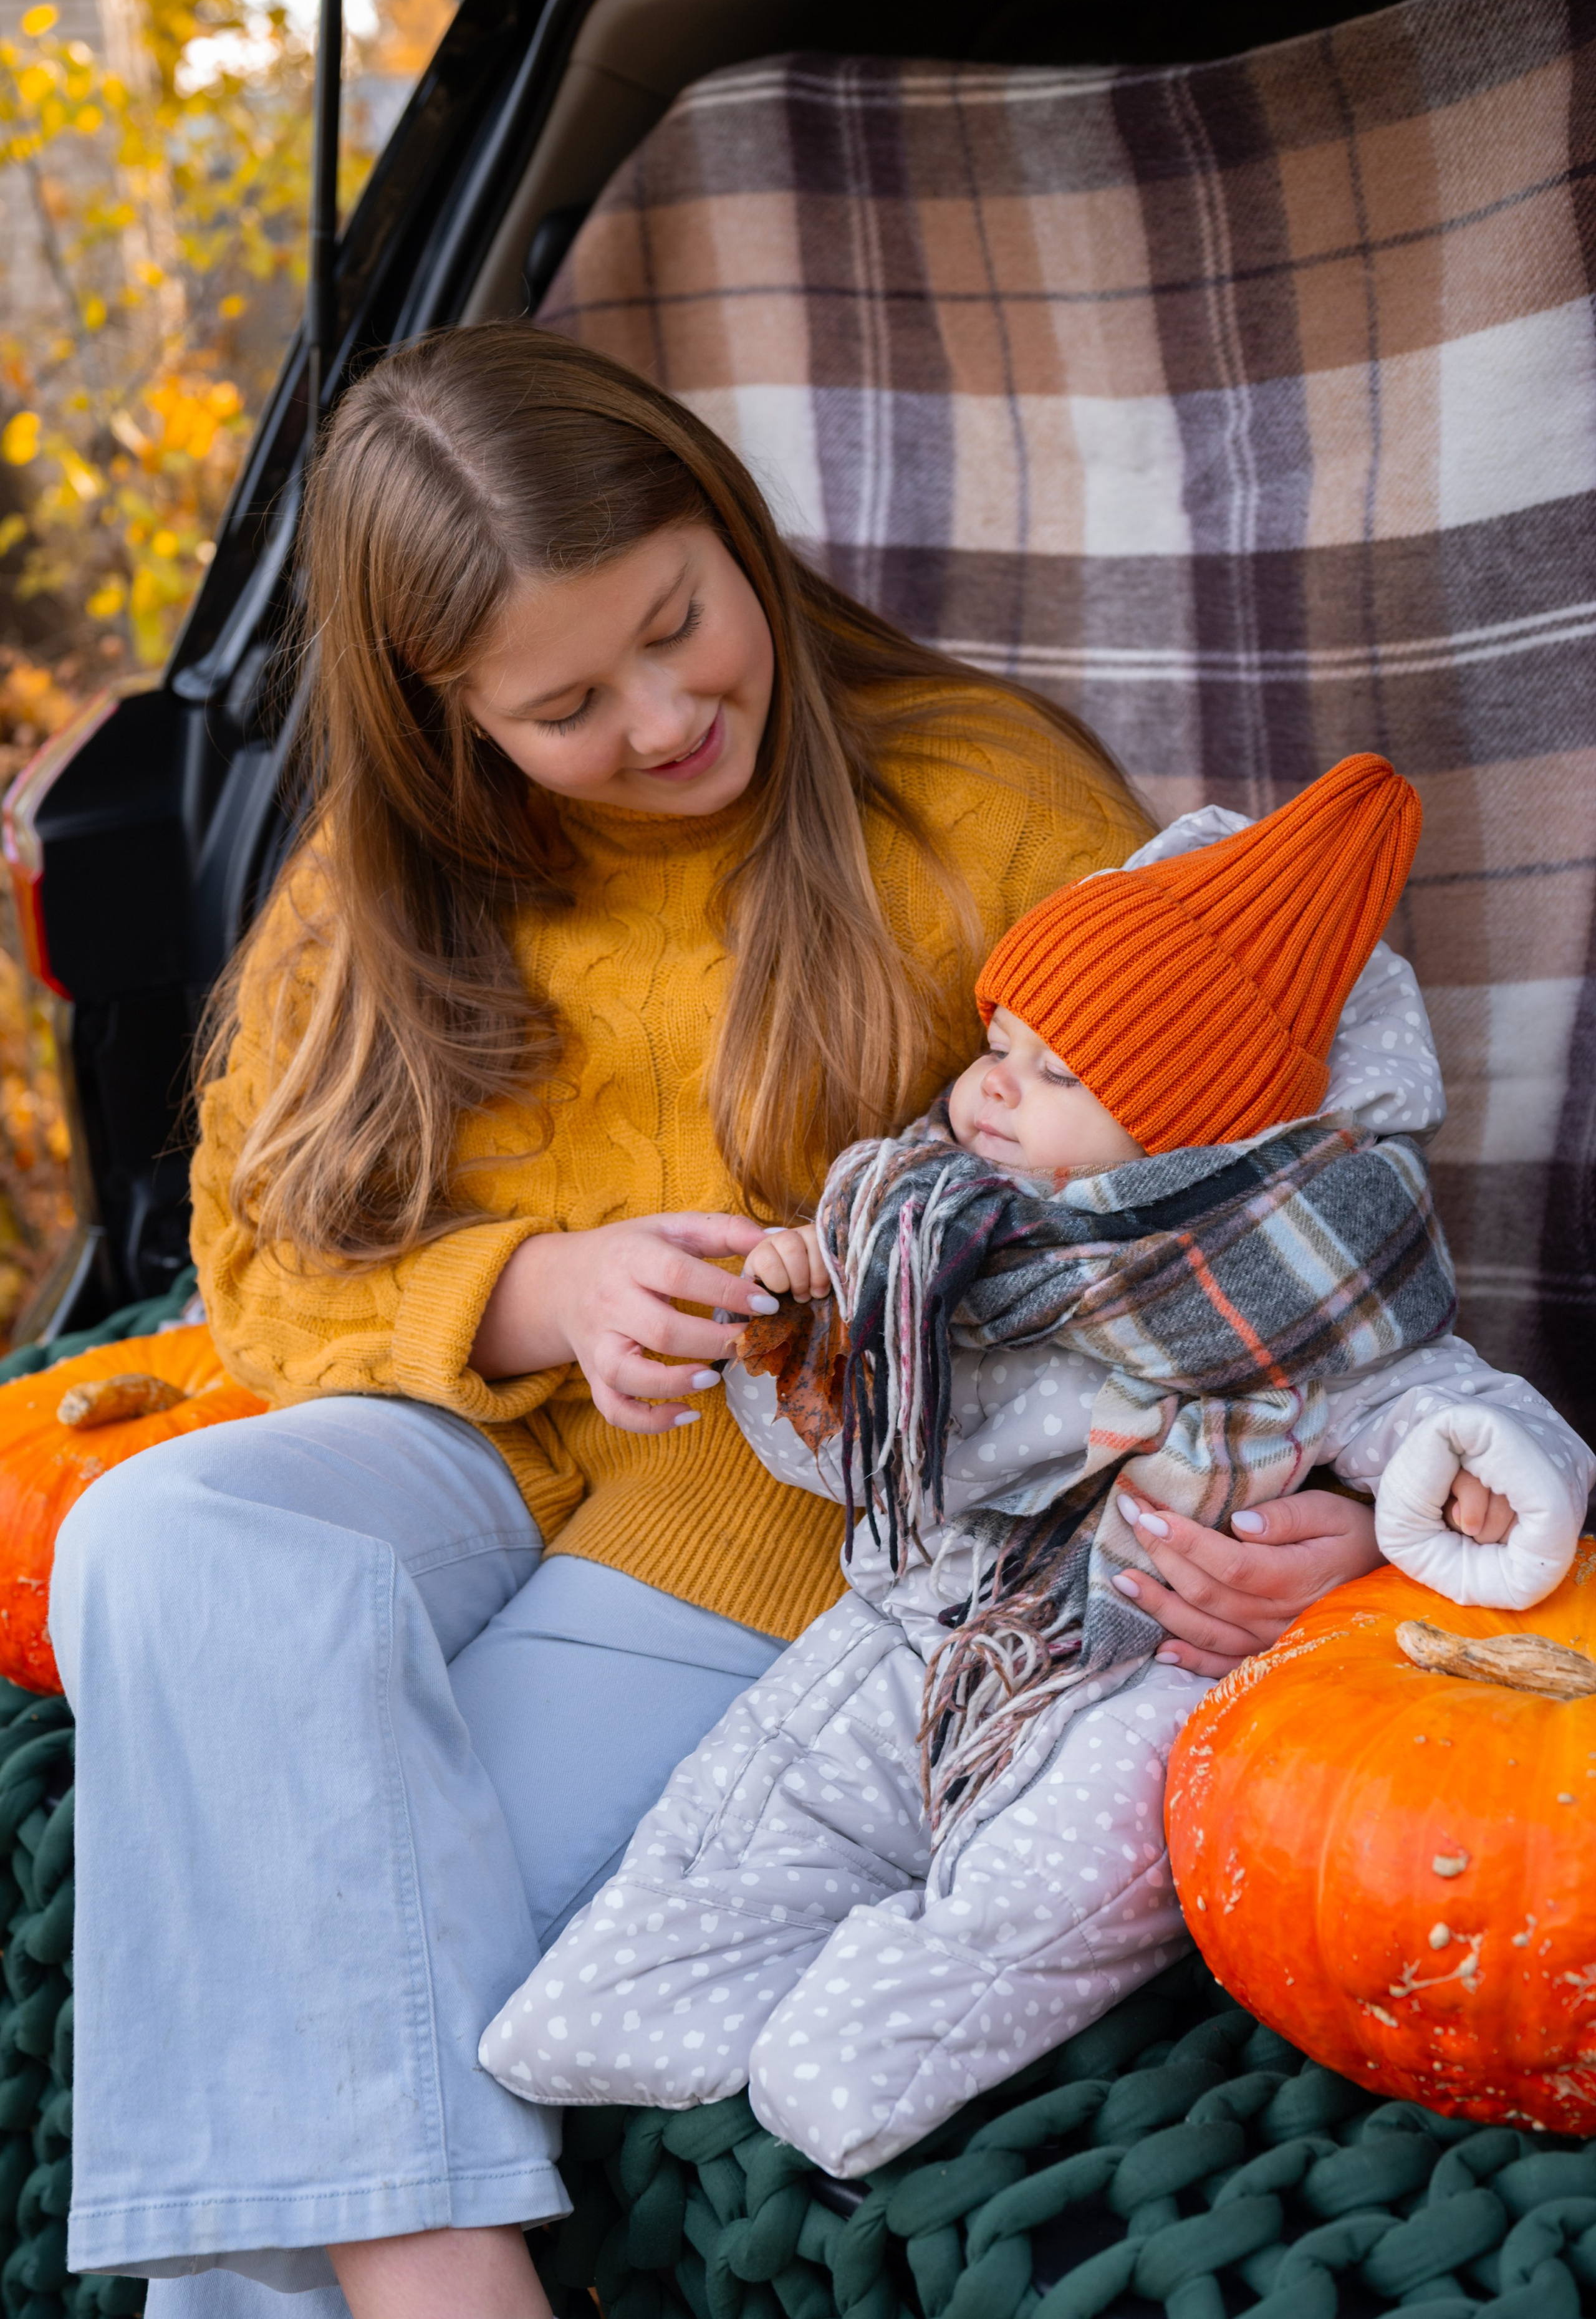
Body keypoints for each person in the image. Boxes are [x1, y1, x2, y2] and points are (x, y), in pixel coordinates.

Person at [49, 325, 1393, 2319]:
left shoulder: (979, 809)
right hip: (473, 1443)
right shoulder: (382, 886)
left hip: (770, 1528)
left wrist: (1346, 1491)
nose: (670, 715)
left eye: (682, 625)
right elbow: (252, 1261)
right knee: (159, 1530)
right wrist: (538, 1286)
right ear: (448, 720)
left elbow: (1228, 1203)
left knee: (331, 1919)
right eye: (569, 703)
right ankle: (442, 2264)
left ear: (730, 534)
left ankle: (417, 2281)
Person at [486, 756, 1595, 2176]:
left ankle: (869, 2042)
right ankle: (649, 1987)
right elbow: (848, 1463)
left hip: (1147, 1660)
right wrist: (804, 1338)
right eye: (996, 1043)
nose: (996, 1090)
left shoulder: (1312, 1280)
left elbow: (1441, 1398)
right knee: (780, 1790)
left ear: (1199, 1127)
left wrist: (1475, 1473)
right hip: (931, 1617)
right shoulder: (933, 1231)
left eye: (1059, 1074)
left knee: (1054, 1872)